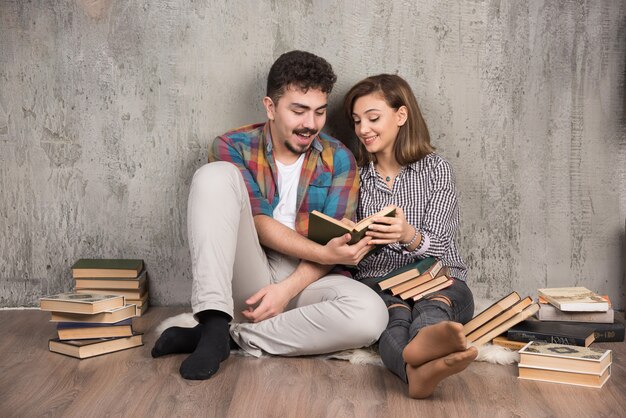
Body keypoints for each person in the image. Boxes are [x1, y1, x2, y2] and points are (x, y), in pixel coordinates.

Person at [151, 51, 388, 380]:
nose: (311, 124)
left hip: (309, 277)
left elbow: (334, 243)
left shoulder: (340, 159)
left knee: (371, 316)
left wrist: (288, 288)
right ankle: (214, 320)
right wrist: (324, 251)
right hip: (248, 272)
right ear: (271, 107)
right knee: (213, 176)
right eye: (298, 111)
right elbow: (260, 223)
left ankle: (227, 339)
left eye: (319, 112)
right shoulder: (232, 147)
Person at [343, 74, 478, 398]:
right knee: (393, 318)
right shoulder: (356, 176)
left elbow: (441, 242)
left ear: (401, 116)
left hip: (438, 278)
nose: (363, 130)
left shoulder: (436, 169)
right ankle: (415, 370)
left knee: (434, 308)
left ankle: (419, 351)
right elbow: (351, 246)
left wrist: (408, 235)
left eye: (373, 118)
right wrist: (358, 239)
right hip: (380, 283)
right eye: (357, 121)